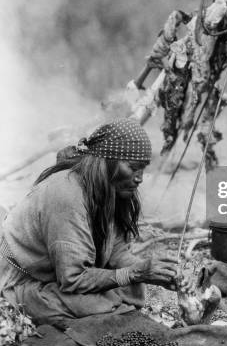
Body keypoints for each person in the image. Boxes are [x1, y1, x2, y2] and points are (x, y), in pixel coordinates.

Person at [0, 118, 181, 325]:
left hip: (62, 276)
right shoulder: (66, 194)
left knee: (133, 287)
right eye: (132, 167)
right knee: (93, 304)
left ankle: (114, 309)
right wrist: (135, 273)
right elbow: (73, 279)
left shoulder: (110, 189)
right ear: (108, 162)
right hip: (24, 281)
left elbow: (118, 252)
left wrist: (152, 271)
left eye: (142, 169)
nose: (139, 178)